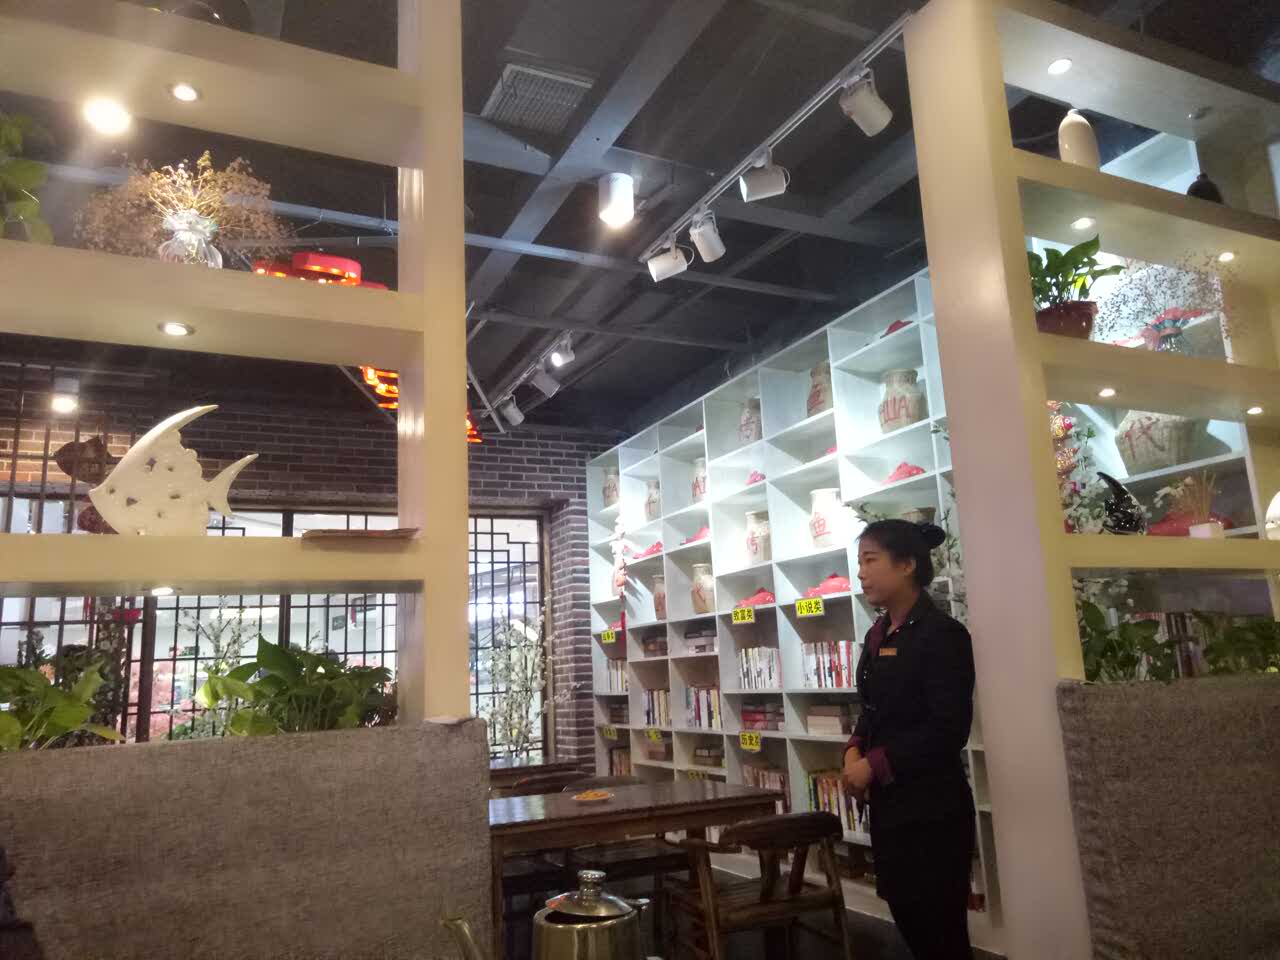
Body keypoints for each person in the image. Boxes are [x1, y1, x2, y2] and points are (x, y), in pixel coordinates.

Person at [842, 519, 976, 960]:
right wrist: (853, 749)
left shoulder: (943, 635)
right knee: (909, 920)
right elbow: (872, 708)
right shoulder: (877, 634)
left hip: (932, 811)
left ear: (906, 565)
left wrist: (873, 764)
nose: (861, 572)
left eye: (870, 560)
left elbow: (948, 729)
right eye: (859, 561)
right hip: (891, 808)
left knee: (941, 935)